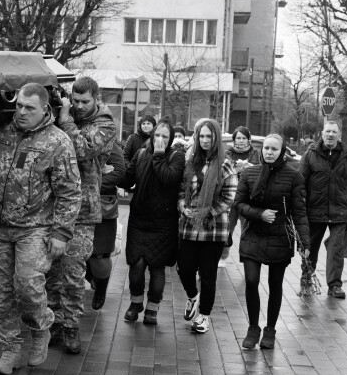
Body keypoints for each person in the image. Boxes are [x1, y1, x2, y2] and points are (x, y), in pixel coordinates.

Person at [0, 82, 81, 375]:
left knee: (28, 286)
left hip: (35, 228)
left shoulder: (57, 142)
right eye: (18, 105)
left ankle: (42, 325)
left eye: (28, 107)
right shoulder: (2, 133)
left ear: (44, 109)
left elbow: (70, 191)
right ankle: (10, 348)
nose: (21, 112)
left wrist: (60, 234)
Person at [47, 77, 116, 354]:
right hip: (55, 208)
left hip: (84, 212)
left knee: (73, 273)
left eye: (84, 101)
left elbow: (81, 148)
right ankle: (53, 325)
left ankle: (72, 326)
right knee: (51, 272)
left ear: (96, 99)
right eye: (75, 101)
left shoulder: (105, 124)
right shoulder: (66, 115)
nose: (78, 106)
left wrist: (64, 118)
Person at [234, 135, 309, 350]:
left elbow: (299, 212)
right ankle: (253, 327)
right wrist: (259, 214)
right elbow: (238, 204)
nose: (269, 152)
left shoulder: (293, 176)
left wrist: (305, 242)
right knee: (251, 280)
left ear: (282, 151)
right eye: (266, 148)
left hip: (279, 237)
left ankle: (270, 330)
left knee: (275, 285)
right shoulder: (249, 173)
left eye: (274, 149)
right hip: (254, 234)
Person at [119, 118, 185, 325]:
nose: (160, 139)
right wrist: (110, 172)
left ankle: (152, 308)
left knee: (157, 267)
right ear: (151, 135)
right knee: (136, 264)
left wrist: (157, 155)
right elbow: (127, 179)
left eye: (165, 136)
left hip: (163, 222)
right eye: (157, 135)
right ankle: (135, 303)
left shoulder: (177, 157)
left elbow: (169, 178)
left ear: (171, 139)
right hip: (140, 219)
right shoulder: (140, 154)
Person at [177, 118, 237, 333]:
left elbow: (229, 196)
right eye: (200, 136)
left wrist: (207, 212)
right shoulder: (191, 162)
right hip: (189, 225)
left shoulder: (225, 163)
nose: (204, 140)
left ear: (216, 138)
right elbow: (181, 189)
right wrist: (183, 207)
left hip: (213, 228)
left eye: (208, 136)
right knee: (184, 268)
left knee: (208, 275)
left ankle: (204, 316)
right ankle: (193, 297)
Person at [299, 120, 347, 299]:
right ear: (322, 134)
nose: (331, 135)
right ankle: (306, 278)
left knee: (336, 249)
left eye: (334, 132)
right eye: (328, 132)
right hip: (315, 211)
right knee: (311, 247)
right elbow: (301, 184)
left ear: (339, 135)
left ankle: (334, 285)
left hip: (340, 212)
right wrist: (301, 208)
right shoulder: (310, 155)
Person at [87, 141, 126, 311]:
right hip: (71, 206)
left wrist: (86, 185)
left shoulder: (108, 140)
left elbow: (117, 173)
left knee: (100, 255)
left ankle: (101, 288)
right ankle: (92, 278)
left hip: (103, 207)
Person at [221, 126, 261, 264]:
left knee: (248, 230)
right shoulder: (227, 153)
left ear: (248, 140)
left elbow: (261, 172)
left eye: (244, 138)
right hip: (231, 196)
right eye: (238, 138)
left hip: (248, 198)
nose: (241, 141)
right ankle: (223, 256)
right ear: (234, 139)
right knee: (227, 228)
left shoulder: (256, 153)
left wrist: (249, 168)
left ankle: (247, 258)